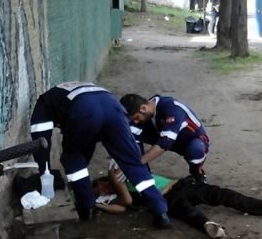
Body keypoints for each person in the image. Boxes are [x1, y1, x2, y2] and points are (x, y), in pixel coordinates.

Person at [29, 82, 170, 228]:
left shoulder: (44, 104)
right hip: (114, 109)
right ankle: (161, 212)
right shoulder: (71, 91)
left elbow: (41, 142)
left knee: (72, 158)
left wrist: (43, 171)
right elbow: (88, 141)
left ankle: (86, 208)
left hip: (85, 110)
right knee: (132, 162)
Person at [94, 160, 262, 239]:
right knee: (187, 213)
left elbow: (117, 169)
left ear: (103, 180)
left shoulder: (124, 175)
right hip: (168, 198)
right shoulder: (118, 195)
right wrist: (97, 203)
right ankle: (210, 226)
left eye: (100, 186)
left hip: (182, 185)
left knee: (222, 194)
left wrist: (112, 177)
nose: (102, 190)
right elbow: (125, 205)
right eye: (99, 192)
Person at [120, 94, 210, 183]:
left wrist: (137, 163)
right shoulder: (149, 108)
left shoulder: (172, 107)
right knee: (132, 131)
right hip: (164, 136)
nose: (136, 121)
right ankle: (143, 174)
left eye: (136, 117)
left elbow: (165, 143)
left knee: (195, 149)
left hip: (188, 140)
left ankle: (198, 175)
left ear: (143, 108)